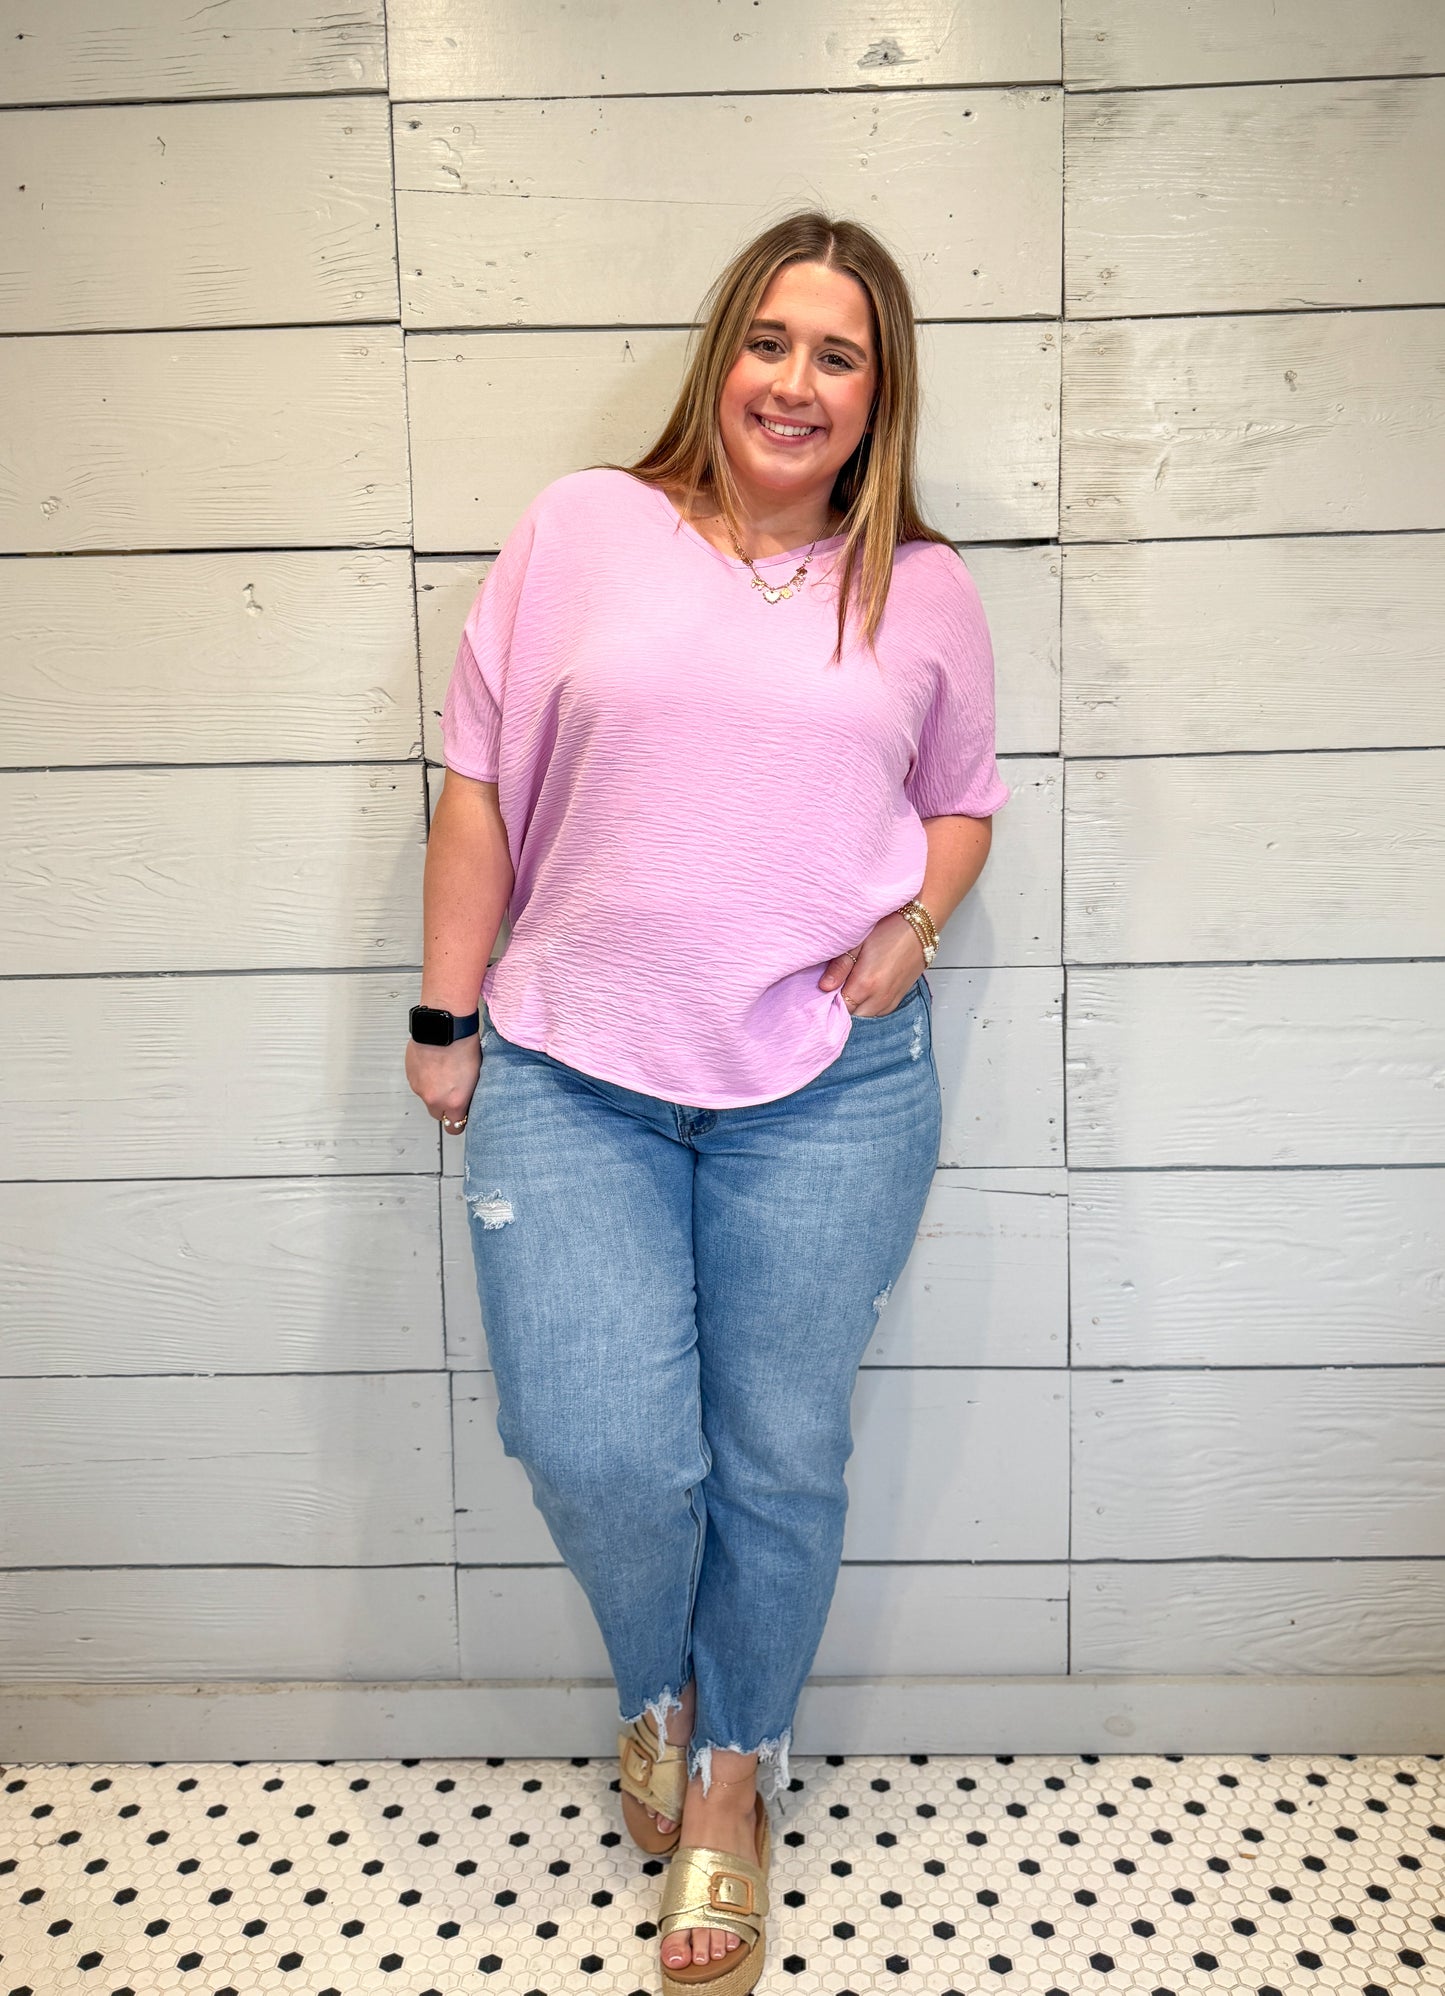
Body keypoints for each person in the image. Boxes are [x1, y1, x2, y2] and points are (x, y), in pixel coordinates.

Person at [406, 209, 1009, 1996]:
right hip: (567, 1068)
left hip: (825, 1089)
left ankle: (732, 1775)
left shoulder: (925, 586)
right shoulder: (582, 529)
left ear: (875, 390)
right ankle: (652, 1686)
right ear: (718, 357)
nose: (794, 381)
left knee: (780, 1453)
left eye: (836, 354)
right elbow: (475, 787)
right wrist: (446, 1017)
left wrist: (913, 920)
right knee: (596, 1445)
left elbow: (961, 796)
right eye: (768, 340)